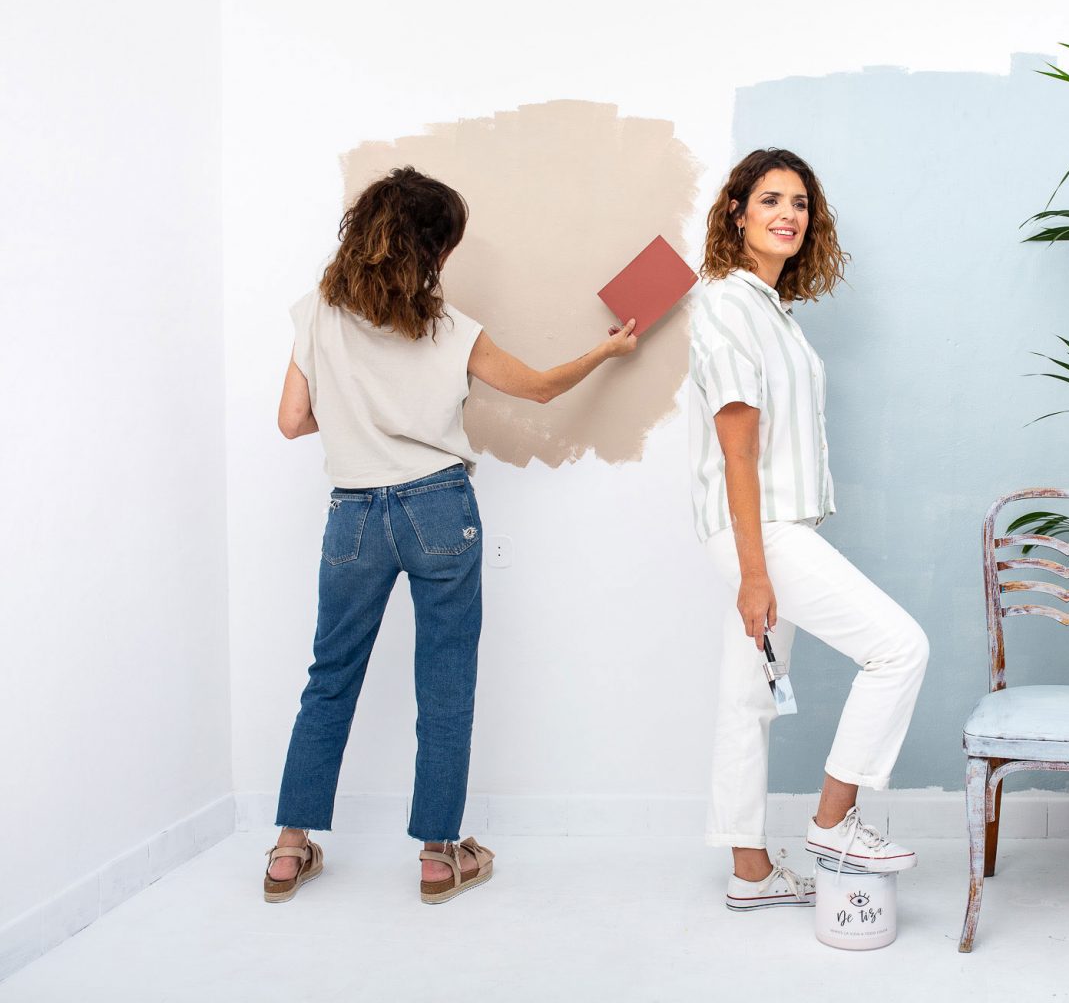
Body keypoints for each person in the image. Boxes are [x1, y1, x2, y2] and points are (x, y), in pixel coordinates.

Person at [264, 166, 638, 904]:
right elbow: (538, 388)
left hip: (353, 516)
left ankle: (287, 849)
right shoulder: (448, 327)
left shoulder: (316, 313)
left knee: (329, 677)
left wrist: (359, 415)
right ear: (433, 250)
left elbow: (292, 420)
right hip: (438, 507)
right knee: (445, 683)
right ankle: (439, 857)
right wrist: (607, 351)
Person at [689, 148, 929, 911]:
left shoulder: (769, 308)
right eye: (769, 200)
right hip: (761, 530)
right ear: (737, 214)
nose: (788, 214)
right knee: (898, 648)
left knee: (747, 700)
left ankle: (750, 872)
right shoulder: (728, 304)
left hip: (764, 528)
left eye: (799, 203)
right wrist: (756, 573)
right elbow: (738, 448)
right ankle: (834, 824)